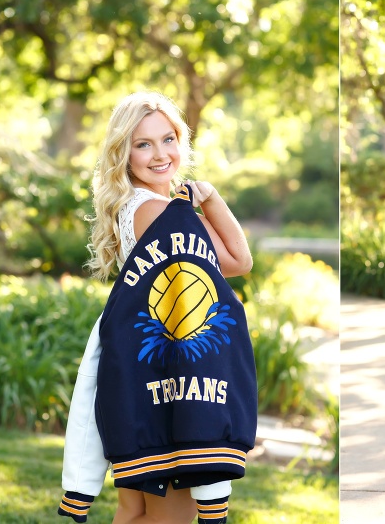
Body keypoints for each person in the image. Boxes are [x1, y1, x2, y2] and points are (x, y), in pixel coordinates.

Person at [58, 91, 256, 524]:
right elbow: (238, 262)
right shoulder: (155, 210)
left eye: (168, 139)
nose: (159, 154)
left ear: (182, 141)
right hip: (165, 370)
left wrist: (209, 197)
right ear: (124, 154)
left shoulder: (151, 207)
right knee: (171, 518)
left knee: (133, 509)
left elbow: (239, 262)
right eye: (143, 144)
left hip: (141, 363)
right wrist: (206, 203)